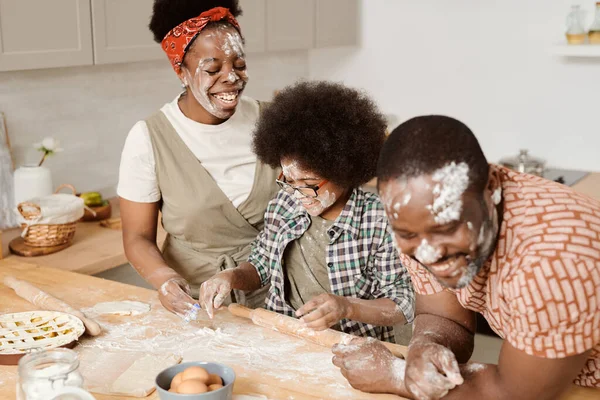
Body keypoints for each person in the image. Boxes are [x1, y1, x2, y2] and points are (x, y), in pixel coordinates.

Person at [332, 115, 600, 398]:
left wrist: (397, 378)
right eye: (408, 235)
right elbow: (445, 318)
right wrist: (427, 344)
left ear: (493, 189)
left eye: (447, 229)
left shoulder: (553, 262)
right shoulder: (417, 217)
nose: (428, 253)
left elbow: (513, 394)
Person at [199, 81, 414, 341]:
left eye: (309, 185)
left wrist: (346, 307)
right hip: (284, 339)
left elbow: (403, 302)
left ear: (344, 171)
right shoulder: (283, 205)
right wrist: (229, 277)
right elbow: (260, 267)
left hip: (352, 345)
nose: (297, 194)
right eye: (289, 181)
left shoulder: (379, 221)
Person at [117, 0, 278, 319]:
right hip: (196, 304)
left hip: (280, 297)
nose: (232, 78)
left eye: (239, 64)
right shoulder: (149, 138)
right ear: (181, 71)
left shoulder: (274, 122)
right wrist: (164, 280)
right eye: (213, 69)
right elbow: (137, 238)